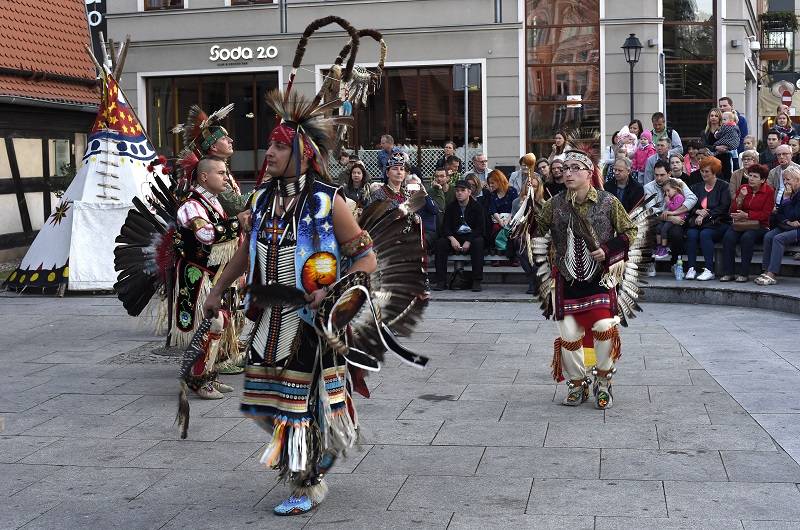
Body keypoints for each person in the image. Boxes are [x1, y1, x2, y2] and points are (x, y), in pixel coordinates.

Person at [202, 85, 384, 516]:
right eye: (269, 144)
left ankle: (306, 482)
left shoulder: (328, 200)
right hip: (268, 316)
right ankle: (325, 442)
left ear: (301, 152)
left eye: (279, 146)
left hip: (311, 319)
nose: (270, 152)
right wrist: (215, 290)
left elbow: (367, 257)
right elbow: (247, 252)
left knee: (293, 402)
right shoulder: (261, 200)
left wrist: (333, 288)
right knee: (262, 403)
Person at [531, 150, 638, 409]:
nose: (568, 172)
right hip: (566, 279)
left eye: (575, 167)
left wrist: (609, 249)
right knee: (568, 334)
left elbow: (630, 231)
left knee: (603, 327)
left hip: (599, 278)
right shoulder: (554, 204)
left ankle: (603, 381)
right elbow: (536, 231)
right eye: (565, 168)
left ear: (589, 173)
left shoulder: (608, 201)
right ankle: (577, 383)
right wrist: (527, 208)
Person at [174, 157, 245, 397]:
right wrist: (238, 223)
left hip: (213, 274)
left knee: (219, 322)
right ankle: (198, 379)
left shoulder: (212, 202)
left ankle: (207, 375)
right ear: (204, 177)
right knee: (210, 323)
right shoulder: (191, 205)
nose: (226, 177)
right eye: (221, 173)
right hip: (196, 275)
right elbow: (205, 234)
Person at [720, 164, 774, 282]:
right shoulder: (743, 188)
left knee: (747, 237)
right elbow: (733, 210)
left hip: (760, 225)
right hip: (741, 223)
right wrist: (740, 197)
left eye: (755, 176)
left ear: (763, 180)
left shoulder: (769, 191)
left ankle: (744, 273)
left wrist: (748, 215)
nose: (751, 178)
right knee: (728, 237)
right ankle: (728, 273)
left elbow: (766, 214)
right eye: (750, 175)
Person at [432, 179, 486, 292]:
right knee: (441, 244)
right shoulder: (451, 207)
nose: (459, 193)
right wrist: (452, 239)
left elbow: (480, 228)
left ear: (469, 192)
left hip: (471, 237)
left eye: (462, 190)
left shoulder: (477, 207)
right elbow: (445, 226)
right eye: (457, 191)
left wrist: (469, 241)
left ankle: (477, 280)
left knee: (478, 242)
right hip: (455, 237)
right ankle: (441, 281)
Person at [644, 160, 698, 271]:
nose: (658, 178)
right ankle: (650, 263)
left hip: (677, 218)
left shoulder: (678, 183)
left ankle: (676, 262)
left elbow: (693, 199)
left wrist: (675, 213)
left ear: (669, 174)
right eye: (656, 175)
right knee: (646, 230)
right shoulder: (648, 187)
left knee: (676, 233)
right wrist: (671, 218)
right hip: (658, 220)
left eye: (662, 175)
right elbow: (651, 210)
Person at [684, 156, 732, 281]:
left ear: (714, 172)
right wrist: (697, 211)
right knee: (691, 233)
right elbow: (690, 205)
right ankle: (691, 268)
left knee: (705, 234)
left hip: (718, 222)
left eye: (707, 172)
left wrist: (705, 214)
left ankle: (709, 269)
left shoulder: (724, 186)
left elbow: (723, 207)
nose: (703, 174)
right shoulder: (696, 187)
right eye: (702, 171)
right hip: (699, 223)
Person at [756, 166, 800, 286]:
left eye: (788, 180)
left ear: (797, 180)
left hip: (798, 229)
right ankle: (766, 269)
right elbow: (779, 214)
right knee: (769, 236)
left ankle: (772, 274)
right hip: (788, 225)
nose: (786, 182)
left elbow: (795, 214)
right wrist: (788, 222)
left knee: (778, 238)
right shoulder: (789, 192)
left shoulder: (791, 194)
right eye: (784, 180)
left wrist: (786, 199)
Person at [511, 173, 545, 294]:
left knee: (533, 246)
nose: (531, 189)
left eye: (535, 186)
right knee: (521, 245)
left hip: (539, 234)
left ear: (539, 188)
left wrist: (532, 207)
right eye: (529, 186)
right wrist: (522, 209)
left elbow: (543, 224)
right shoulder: (516, 202)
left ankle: (534, 279)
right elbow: (514, 222)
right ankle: (532, 279)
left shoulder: (543, 203)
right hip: (522, 235)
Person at [653, 178, 688, 260]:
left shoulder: (679, 197)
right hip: (669, 218)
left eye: (668, 190)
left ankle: (664, 248)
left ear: (675, 189)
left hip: (677, 218)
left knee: (664, 229)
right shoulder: (672, 197)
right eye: (665, 192)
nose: (666, 193)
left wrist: (668, 201)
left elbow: (674, 208)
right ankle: (659, 247)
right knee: (658, 228)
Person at [486, 169, 518, 251]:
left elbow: (515, 208)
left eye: (492, 183)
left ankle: (511, 256)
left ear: (499, 180)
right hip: (498, 220)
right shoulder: (492, 194)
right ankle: (498, 253)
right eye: (489, 183)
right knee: (496, 229)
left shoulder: (512, 191)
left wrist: (508, 220)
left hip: (512, 219)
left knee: (512, 231)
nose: (490, 185)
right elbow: (493, 210)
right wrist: (500, 221)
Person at [767, 144, 798, 209]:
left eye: (784, 154)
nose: (781, 157)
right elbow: (768, 192)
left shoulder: (798, 170)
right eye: (778, 155)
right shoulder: (773, 172)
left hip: (794, 205)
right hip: (775, 205)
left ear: (791, 155)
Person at [712, 110, 740, 181]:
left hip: (726, 150)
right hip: (731, 147)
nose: (723, 121)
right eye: (722, 119)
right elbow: (739, 135)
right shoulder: (735, 127)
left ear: (730, 120)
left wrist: (716, 134)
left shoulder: (725, 127)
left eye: (724, 119)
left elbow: (719, 135)